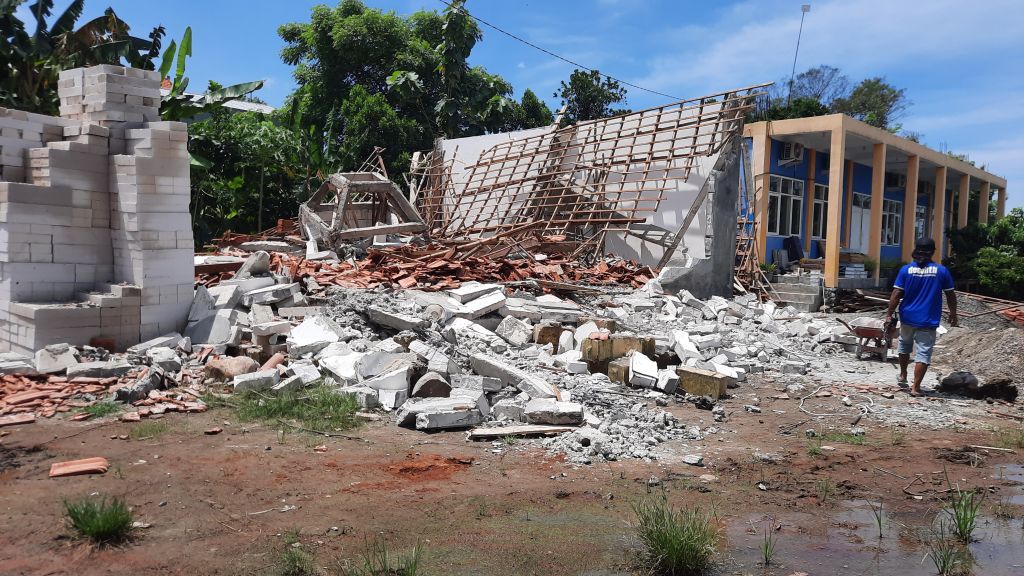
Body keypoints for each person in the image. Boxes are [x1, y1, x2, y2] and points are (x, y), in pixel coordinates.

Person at [885, 237, 958, 396]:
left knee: (904, 346)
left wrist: (889, 314)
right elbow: (950, 295)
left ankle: (903, 375)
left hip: (907, 317)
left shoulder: (906, 270)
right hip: (928, 319)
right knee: (923, 352)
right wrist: (953, 314)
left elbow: (896, 294)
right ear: (932, 252)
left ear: (915, 249)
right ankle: (915, 388)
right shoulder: (941, 271)